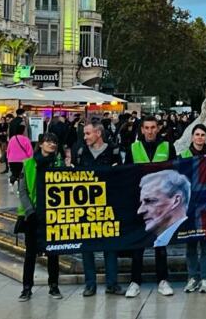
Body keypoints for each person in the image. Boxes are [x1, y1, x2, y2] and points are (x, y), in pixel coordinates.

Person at [125, 115, 177, 298]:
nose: (150, 131)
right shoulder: (133, 148)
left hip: (161, 203)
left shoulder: (167, 146)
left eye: (153, 127)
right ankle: (135, 281)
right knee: (138, 244)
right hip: (141, 202)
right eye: (146, 128)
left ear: (158, 128)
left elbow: (175, 171)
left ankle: (163, 280)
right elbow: (127, 174)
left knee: (160, 244)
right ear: (142, 129)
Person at [72, 121, 123, 296]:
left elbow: (120, 175)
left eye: (87, 133)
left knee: (110, 245)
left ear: (98, 133)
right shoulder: (80, 152)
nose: (84, 137)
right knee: (87, 246)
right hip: (87, 205)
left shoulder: (113, 151)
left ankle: (112, 283)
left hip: (108, 204)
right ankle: (90, 283)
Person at [17, 132, 63, 301]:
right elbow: (22, 190)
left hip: (52, 214)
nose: (52, 144)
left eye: (54, 142)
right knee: (30, 254)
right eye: (49, 142)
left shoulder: (58, 164)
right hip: (33, 215)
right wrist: (30, 211)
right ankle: (26, 287)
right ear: (41, 144)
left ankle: (54, 285)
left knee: (53, 253)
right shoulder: (29, 164)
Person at [179, 123, 206, 294]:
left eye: (202, 135)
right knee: (190, 244)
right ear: (192, 137)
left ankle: (205, 278)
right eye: (197, 134)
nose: (199, 137)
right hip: (189, 204)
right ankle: (192, 278)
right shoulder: (183, 155)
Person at [6, 123, 33, 192]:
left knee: (14, 173)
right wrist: (31, 159)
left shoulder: (12, 138)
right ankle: (19, 190)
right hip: (22, 160)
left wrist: (8, 159)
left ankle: (11, 182)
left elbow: (8, 149)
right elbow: (30, 151)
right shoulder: (25, 139)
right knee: (21, 175)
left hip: (12, 160)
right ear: (23, 131)